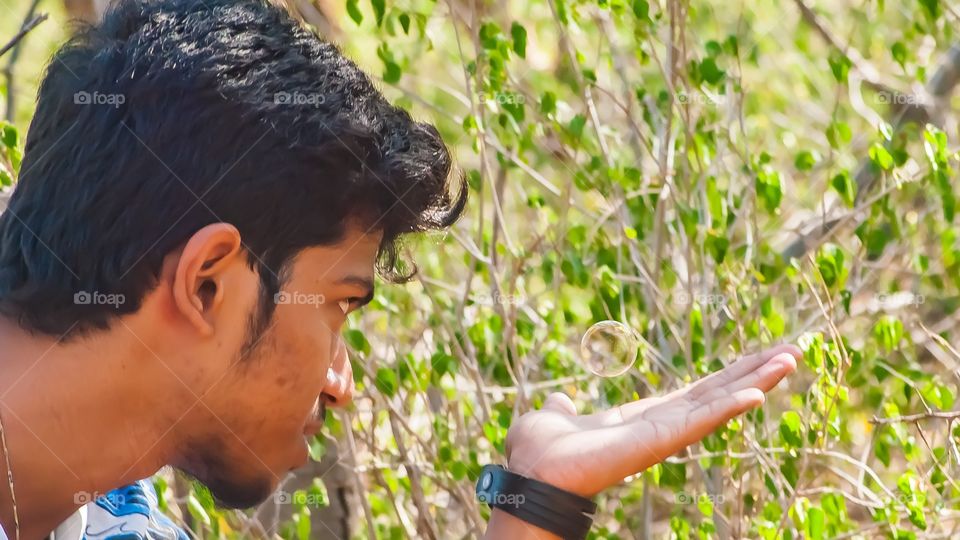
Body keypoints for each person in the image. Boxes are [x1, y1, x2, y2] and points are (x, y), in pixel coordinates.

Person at [0, 0, 801, 537]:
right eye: (342, 304)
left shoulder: (110, 515)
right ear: (208, 281)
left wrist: (536, 496)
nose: (342, 382)